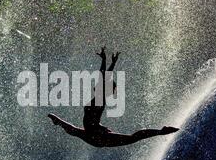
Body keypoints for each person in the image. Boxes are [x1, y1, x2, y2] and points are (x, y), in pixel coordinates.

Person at [48, 47, 179, 148]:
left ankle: (161, 131)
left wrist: (106, 61)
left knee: (132, 138)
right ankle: (58, 121)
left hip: (96, 137)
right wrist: (108, 61)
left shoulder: (100, 97)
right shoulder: (100, 97)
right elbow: (104, 76)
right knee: (74, 130)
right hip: (94, 134)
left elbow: (104, 75)